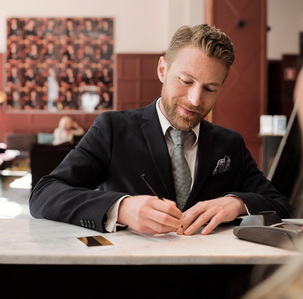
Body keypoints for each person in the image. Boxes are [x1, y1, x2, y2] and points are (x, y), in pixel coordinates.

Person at [29, 24, 293, 235]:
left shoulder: (230, 143)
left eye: (210, 89)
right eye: (186, 81)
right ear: (162, 69)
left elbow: (281, 205)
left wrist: (237, 203)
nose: (195, 100)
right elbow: (45, 194)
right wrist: (120, 208)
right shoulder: (113, 128)